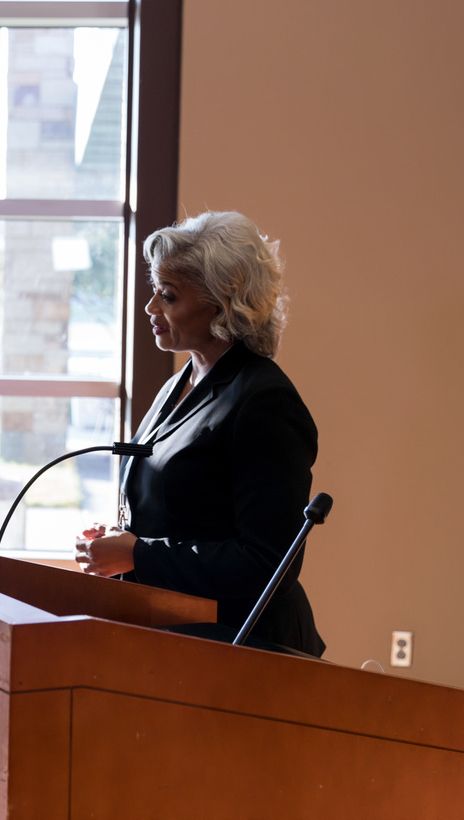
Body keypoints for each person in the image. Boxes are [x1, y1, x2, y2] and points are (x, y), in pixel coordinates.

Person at [74, 211, 324, 657]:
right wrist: (121, 539)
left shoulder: (265, 401)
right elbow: (186, 513)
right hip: (178, 635)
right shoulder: (180, 384)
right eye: (155, 291)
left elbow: (268, 564)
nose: (151, 308)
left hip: (248, 651)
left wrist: (140, 555)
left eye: (168, 296)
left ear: (221, 301)